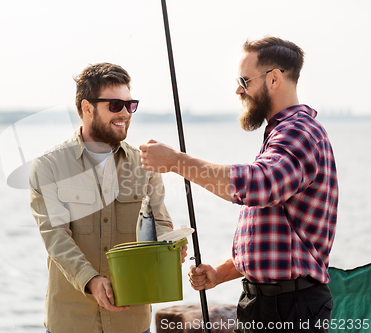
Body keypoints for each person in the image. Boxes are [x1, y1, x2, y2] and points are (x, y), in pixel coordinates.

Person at [139, 37, 338, 333]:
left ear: (273, 79)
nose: (238, 89)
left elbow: (260, 185)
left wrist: (177, 162)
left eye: (244, 80)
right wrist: (220, 273)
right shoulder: (283, 134)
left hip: (291, 310)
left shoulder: (299, 132)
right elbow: (275, 243)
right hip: (268, 305)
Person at [30, 62, 175, 333]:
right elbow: (55, 237)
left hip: (132, 324)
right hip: (71, 323)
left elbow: (162, 224)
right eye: (115, 105)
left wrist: (170, 249)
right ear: (87, 108)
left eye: (130, 105)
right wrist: (92, 281)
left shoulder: (146, 165)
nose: (125, 114)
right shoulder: (49, 167)